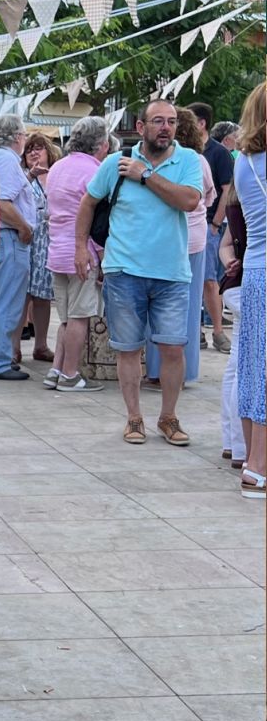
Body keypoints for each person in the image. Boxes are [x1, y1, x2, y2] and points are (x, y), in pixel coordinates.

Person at [74, 99, 202, 446]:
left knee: (173, 347)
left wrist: (145, 176)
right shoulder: (116, 163)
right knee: (128, 348)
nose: (166, 127)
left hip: (172, 273)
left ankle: (168, 417)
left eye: (172, 122)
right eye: (158, 121)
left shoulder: (188, 160)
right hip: (124, 270)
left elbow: (189, 201)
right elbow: (88, 202)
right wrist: (80, 246)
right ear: (141, 127)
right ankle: (134, 418)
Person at [144, 107, 214, 386]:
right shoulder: (197, 161)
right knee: (187, 308)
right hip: (192, 239)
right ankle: (183, 372)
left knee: (155, 307)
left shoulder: (159, 161)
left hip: (164, 239)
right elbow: (207, 195)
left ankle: (156, 370)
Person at [44, 116, 109, 392]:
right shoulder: (96, 171)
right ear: (102, 144)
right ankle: (70, 374)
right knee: (80, 316)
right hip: (82, 253)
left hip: (56, 250)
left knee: (66, 317)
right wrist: (102, 257)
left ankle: (57, 369)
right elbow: (98, 219)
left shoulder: (58, 166)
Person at [0, 114, 36, 380]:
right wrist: (24, 227)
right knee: (7, 302)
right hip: (10, 237)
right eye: (24, 135)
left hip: (0, 237)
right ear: (17, 137)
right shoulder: (5, 159)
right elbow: (2, 202)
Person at [232, 83, 266, 498]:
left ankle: (250, 458)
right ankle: (258, 467)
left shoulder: (244, 161)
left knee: (253, 367)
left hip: (255, 273)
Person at [187, 102, 234, 353]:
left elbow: (227, 191)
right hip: (187, 226)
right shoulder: (185, 151)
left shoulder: (218, 153)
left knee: (209, 281)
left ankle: (217, 331)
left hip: (208, 225)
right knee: (188, 281)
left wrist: (215, 223)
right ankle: (196, 332)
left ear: (201, 123)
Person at [13, 133, 59, 366]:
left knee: (43, 296)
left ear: (49, 152)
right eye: (30, 148)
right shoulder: (22, 176)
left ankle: (41, 345)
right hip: (27, 237)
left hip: (49, 241)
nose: (33, 152)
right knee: (23, 294)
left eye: (39, 148)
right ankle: (14, 348)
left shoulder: (57, 175)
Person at [218, 180, 247, 471]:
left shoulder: (238, 193)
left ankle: (232, 442)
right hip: (249, 284)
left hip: (235, 284)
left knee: (236, 364)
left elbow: (226, 244)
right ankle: (240, 445)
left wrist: (230, 262)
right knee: (247, 366)